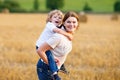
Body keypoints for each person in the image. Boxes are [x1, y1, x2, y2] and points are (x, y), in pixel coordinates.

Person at [36, 11, 80, 80]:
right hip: (46, 69)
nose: (71, 24)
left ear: (77, 24)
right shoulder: (59, 37)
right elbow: (40, 50)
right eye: (68, 22)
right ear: (64, 23)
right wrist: (51, 64)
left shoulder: (67, 35)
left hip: (52, 68)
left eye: (74, 22)